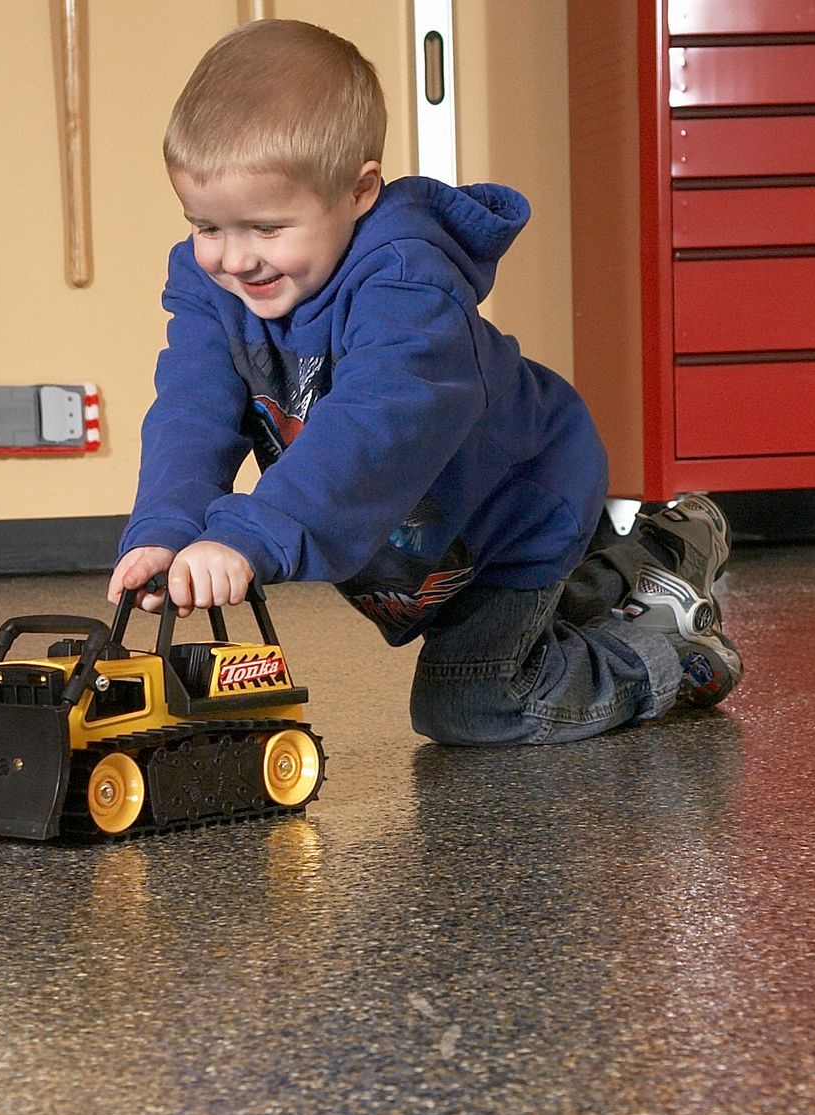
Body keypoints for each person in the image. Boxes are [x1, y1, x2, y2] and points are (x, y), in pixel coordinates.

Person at [108, 19, 741, 745]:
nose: (234, 258)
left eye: (266, 228)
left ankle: (671, 657)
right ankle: (660, 554)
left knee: (474, 702)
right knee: (542, 625)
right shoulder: (211, 285)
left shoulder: (408, 284)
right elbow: (191, 409)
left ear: (359, 191)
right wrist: (167, 526)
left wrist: (249, 535)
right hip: (438, 543)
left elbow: (373, 429)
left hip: (518, 513)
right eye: (205, 226)